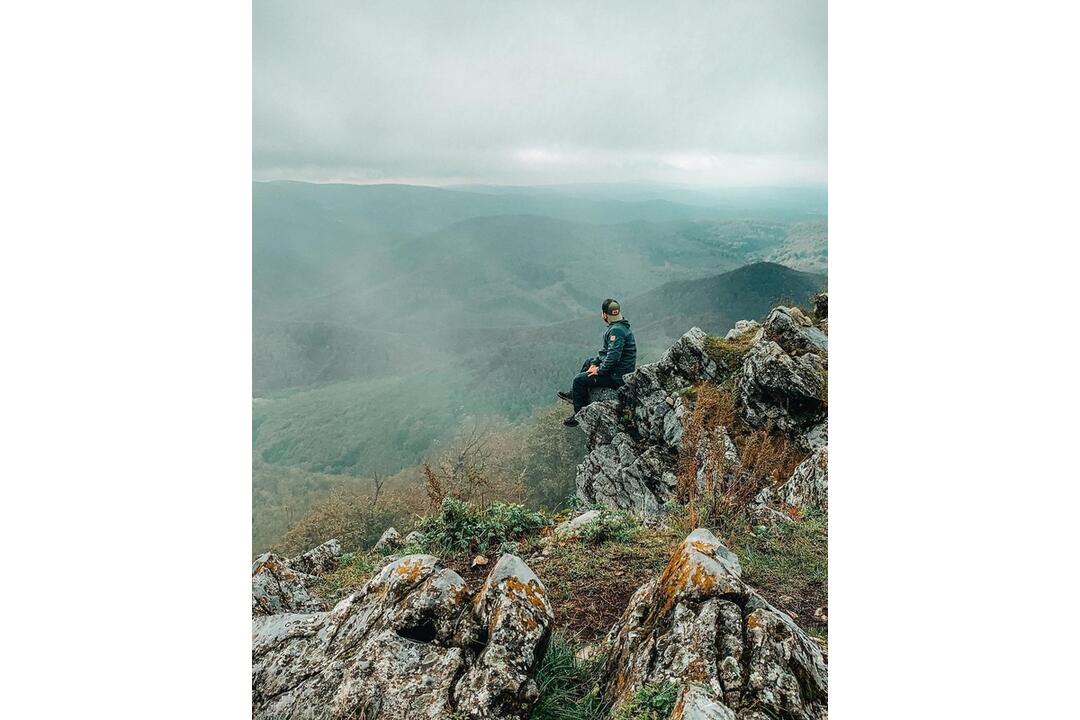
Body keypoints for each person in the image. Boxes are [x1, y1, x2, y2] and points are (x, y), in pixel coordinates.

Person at [559, 298, 637, 427]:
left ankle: (579, 416)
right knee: (589, 362)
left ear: (604, 314)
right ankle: (574, 395)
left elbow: (613, 357)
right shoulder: (619, 327)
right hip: (617, 370)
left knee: (579, 380)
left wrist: (599, 370)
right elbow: (605, 351)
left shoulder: (616, 331)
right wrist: (595, 363)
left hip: (617, 377)